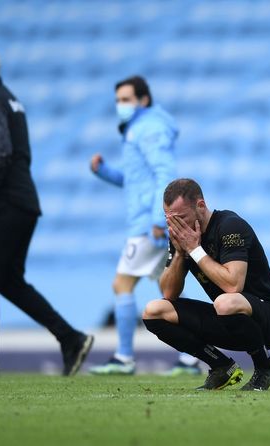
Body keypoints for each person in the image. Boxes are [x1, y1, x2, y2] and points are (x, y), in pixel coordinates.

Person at [0, 43, 93, 377]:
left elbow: (1, 151)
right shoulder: (9, 99)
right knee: (9, 282)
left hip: (4, 204)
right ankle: (70, 338)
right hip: (23, 202)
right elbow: (11, 153)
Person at [89, 76, 200, 376]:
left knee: (122, 285)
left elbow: (164, 172)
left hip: (147, 224)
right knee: (169, 291)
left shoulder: (148, 128)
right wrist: (105, 172)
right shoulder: (140, 128)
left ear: (143, 100)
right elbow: (136, 179)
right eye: (118, 100)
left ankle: (124, 357)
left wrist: (156, 218)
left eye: (126, 99)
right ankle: (192, 358)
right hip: (148, 221)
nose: (120, 106)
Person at [143, 179, 270, 391]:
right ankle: (221, 366)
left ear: (200, 206)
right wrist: (180, 254)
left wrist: (195, 250)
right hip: (228, 317)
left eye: (181, 218)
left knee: (225, 302)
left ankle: (265, 367)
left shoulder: (230, 226)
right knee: (154, 311)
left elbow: (233, 285)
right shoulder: (183, 237)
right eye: (170, 220)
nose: (177, 226)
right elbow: (169, 292)